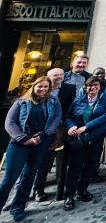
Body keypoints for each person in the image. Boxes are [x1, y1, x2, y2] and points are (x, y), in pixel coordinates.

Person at [0, 77, 62, 222]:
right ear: (34, 86)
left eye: (46, 87)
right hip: (19, 143)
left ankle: (18, 206)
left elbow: (56, 119)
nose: (43, 89)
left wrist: (44, 134)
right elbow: (9, 123)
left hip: (41, 143)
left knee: (29, 176)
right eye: (40, 86)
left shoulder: (53, 101)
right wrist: (24, 138)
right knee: (9, 178)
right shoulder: (21, 101)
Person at [63, 76, 106, 211]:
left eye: (96, 85)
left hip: (95, 137)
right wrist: (71, 127)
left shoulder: (104, 99)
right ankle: (69, 195)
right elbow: (68, 117)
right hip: (79, 138)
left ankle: (82, 189)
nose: (93, 88)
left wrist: (87, 127)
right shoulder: (78, 99)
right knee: (75, 166)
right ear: (86, 87)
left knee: (90, 165)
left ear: (100, 87)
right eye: (90, 86)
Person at [33, 68, 77, 202]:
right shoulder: (43, 88)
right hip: (42, 129)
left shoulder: (70, 88)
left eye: (60, 75)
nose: (58, 77)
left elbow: (71, 108)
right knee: (43, 161)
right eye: (55, 75)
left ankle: (60, 190)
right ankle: (38, 189)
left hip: (61, 129)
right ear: (48, 76)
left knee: (61, 161)